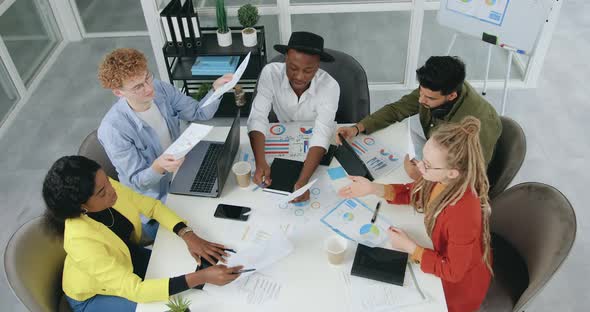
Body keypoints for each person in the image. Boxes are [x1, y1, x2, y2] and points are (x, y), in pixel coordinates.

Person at [42, 156, 242, 312]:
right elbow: (137, 291)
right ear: (82, 206)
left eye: (108, 182)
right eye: (102, 192)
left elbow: (152, 207)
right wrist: (201, 276)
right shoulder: (80, 241)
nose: (112, 191)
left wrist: (188, 235)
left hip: (127, 258)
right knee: (175, 306)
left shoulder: (103, 184)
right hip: (95, 296)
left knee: (189, 273)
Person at [338, 116, 492, 312]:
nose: (419, 167)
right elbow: (416, 192)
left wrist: (412, 248)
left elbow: (453, 272)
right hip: (440, 255)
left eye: (426, 165)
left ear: (452, 172)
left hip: (456, 289)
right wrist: (373, 188)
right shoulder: (441, 179)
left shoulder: (463, 214)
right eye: (422, 157)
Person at [97, 48, 232, 202]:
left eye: (147, 78)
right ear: (119, 93)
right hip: (156, 197)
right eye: (138, 87)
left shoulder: (159, 88)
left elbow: (198, 112)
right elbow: (137, 182)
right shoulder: (112, 130)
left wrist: (216, 90)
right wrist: (158, 167)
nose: (149, 88)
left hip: (182, 169)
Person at [336, 56, 501, 181]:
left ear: (451, 96)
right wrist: (358, 128)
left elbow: (471, 176)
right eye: (421, 92)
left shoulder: (477, 125)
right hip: (433, 157)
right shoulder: (434, 88)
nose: (421, 100)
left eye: (429, 98)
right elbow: (397, 109)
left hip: (453, 174)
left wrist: (424, 176)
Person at [247, 31, 340, 202]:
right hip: (286, 137)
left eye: (308, 70)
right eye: (293, 68)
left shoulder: (331, 86)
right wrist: (260, 162)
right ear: (285, 60)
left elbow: (322, 133)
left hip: (313, 147)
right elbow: (258, 117)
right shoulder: (270, 73)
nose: (299, 76)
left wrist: (303, 180)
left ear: (318, 66)